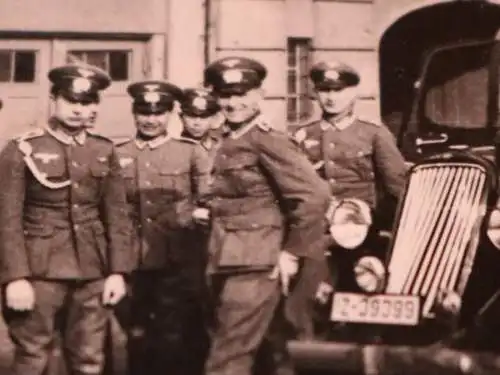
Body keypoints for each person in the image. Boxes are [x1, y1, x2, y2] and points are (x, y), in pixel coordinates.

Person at [202, 56, 331, 375]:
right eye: (226, 95)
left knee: (227, 357)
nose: (233, 103)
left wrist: (291, 251)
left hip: (257, 261)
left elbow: (315, 196)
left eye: (242, 94)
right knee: (270, 352)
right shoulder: (226, 140)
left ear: (260, 94)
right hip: (225, 257)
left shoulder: (268, 140)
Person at [0, 64, 131, 375]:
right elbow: (7, 218)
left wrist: (118, 272)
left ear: (95, 107)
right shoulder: (23, 149)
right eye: (71, 101)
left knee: (89, 360)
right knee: (33, 357)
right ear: (54, 100)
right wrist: (15, 277)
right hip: (39, 271)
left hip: (92, 272)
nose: (78, 110)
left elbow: (116, 215)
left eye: (87, 103)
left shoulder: (103, 150)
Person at [115, 80, 211, 375]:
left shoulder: (191, 152)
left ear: (170, 115)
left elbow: (208, 200)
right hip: (132, 259)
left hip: (178, 260)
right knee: (135, 332)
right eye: (144, 112)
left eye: (159, 113)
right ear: (134, 113)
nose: (151, 120)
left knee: (175, 334)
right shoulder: (117, 153)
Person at [290, 60, 407, 210]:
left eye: (339, 90)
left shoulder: (374, 133)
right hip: (317, 219)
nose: (331, 98)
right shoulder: (303, 134)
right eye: (324, 90)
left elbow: (397, 185)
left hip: (362, 221)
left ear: (353, 93)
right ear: (316, 94)